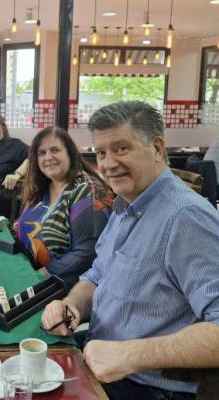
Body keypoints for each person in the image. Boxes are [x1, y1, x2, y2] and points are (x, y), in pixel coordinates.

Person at [41, 101, 219, 400]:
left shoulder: (186, 218)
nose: (108, 164)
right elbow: (97, 274)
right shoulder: (125, 204)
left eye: (121, 148)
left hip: (150, 387)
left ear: (158, 148)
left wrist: (128, 355)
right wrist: (73, 305)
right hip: (100, 356)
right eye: (100, 153)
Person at [15, 127, 113, 288]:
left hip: (62, 291)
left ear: (70, 153)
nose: (48, 157)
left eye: (55, 150)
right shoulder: (41, 188)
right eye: (42, 153)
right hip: (28, 275)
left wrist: (38, 276)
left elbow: (87, 253)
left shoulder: (88, 191)